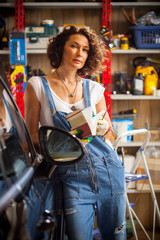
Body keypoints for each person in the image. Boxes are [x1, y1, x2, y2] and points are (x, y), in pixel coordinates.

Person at [24, 26, 126, 240]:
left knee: (117, 236)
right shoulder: (38, 86)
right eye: (74, 46)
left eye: (86, 49)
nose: (80, 53)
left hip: (108, 171)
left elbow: (111, 137)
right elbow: (31, 136)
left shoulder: (93, 89)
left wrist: (104, 128)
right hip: (72, 177)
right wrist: (59, 145)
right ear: (60, 48)